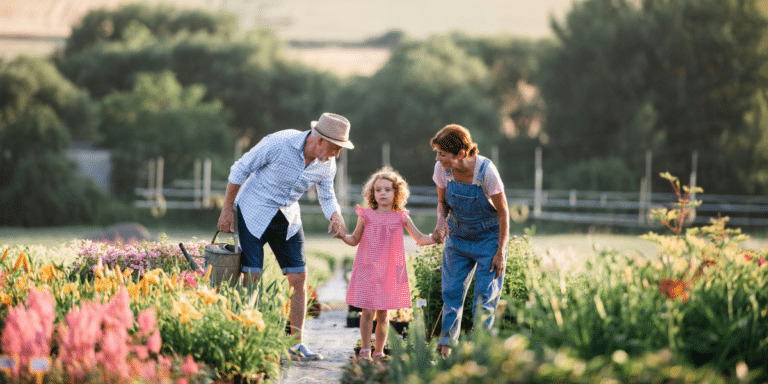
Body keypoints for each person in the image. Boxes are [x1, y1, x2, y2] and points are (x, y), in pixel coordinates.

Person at [217, 112, 354, 361]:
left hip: (288, 217)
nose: (337, 155)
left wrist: (336, 215)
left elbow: (326, 193)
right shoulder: (279, 143)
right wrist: (227, 210)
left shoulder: (327, 163)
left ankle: (296, 342)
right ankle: (248, 336)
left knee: (299, 278)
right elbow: (240, 169)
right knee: (252, 273)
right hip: (254, 210)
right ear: (320, 139)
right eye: (335, 148)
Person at [337, 167, 437, 361]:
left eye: (387, 189)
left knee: (384, 313)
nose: (382, 193)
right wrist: (342, 235)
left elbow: (420, 238)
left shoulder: (401, 216)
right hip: (368, 268)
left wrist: (437, 237)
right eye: (378, 190)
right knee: (366, 311)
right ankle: (365, 350)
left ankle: (379, 350)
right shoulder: (365, 215)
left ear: (396, 192)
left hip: (390, 270)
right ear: (372, 193)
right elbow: (354, 239)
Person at [430, 124, 509, 357]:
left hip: (489, 239)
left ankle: (481, 354)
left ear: (460, 154)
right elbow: (442, 203)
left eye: (442, 154)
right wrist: (440, 222)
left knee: (484, 299)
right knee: (452, 293)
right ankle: (445, 349)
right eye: (437, 153)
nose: (438, 158)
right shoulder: (441, 170)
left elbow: (504, 212)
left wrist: (500, 251)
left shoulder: (486, 172)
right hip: (458, 238)